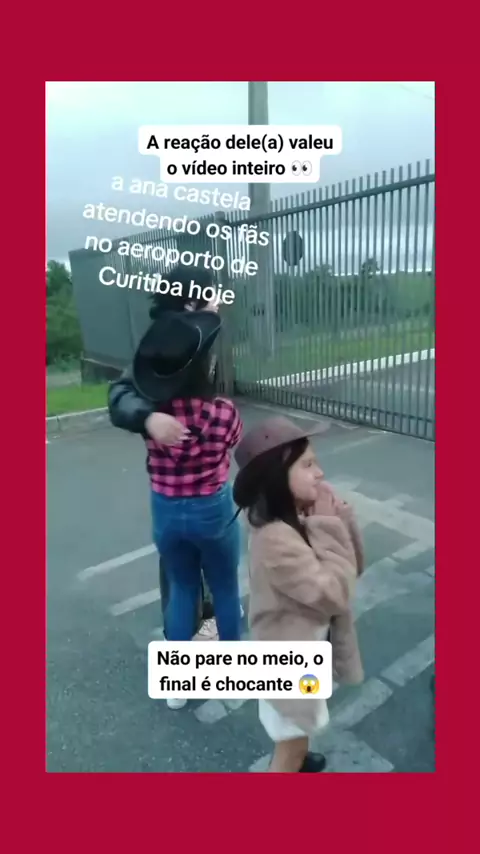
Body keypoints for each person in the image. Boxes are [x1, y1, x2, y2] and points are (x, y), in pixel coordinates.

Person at [117, 303, 243, 709]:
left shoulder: (153, 417)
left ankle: (177, 687)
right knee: (224, 587)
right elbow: (233, 442)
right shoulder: (224, 412)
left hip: (167, 510)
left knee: (183, 588)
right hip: (213, 509)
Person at [232, 416, 365, 773]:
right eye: (307, 465)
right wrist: (328, 526)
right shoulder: (275, 539)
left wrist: (338, 518)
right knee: (289, 746)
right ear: (277, 478)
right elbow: (335, 593)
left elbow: (353, 567)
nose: (319, 473)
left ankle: (301, 758)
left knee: (299, 730)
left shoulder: (296, 517)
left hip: (304, 653)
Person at [108, 264, 219, 640]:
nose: (218, 300)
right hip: (173, 486)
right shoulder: (164, 342)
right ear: (191, 303)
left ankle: (207, 621)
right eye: (211, 293)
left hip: (209, 480)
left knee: (209, 560)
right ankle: (182, 642)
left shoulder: (200, 333)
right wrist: (148, 418)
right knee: (180, 569)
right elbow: (121, 393)